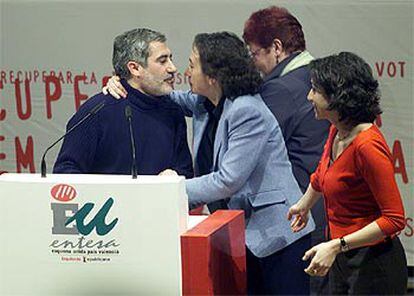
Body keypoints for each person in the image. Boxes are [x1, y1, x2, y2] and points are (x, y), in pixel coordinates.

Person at [168, 32, 314, 295]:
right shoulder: (207, 102)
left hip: (276, 236)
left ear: (213, 76)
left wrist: (172, 188)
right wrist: (130, 84)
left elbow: (228, 180)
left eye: (192, 65)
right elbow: (170, 97)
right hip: (242, 235)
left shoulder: (246, 110)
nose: (185, 72)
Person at [287, 52, 407, 295]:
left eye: (315, 90)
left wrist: (337, 245)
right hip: (342, 255)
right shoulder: (337, 130)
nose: (309, 96)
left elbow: (394, 219)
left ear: (336, 96)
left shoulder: (367, 146)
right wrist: (305, 204)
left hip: (373, 264)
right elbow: (322, 174)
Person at [242, 7, 331, 293]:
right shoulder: (320, 76)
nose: (253, 63)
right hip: (324, 213)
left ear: (277, 48)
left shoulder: (280, 89)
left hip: (295, 221)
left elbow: (249, 152)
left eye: (255, 53)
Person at [53, 28, 193, 178]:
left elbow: (186, 172)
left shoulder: (173, 111)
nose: (173, 68)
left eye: (171, 59)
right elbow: (65, 173)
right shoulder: (96, 111)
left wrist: (176, 177)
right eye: (163, 60)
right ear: (135, 68)